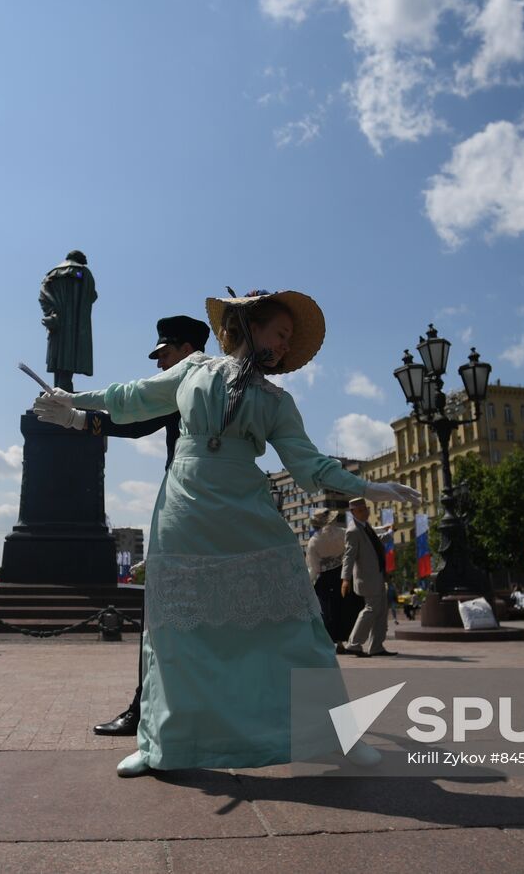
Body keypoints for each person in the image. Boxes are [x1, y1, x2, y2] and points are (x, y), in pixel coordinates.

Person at [36, 288, 420, 776]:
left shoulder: (276, 401)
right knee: (175, 634)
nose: (283, 347)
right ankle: (159, 745)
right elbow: (135, 397)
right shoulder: (194, 369)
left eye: (288, 342)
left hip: (248, 511)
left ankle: (338, 738)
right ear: (250, 324)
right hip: (186, 507)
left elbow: (309, 464)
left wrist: (367, 485)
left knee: (298, 628)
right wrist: (75, 405)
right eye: (279, 334)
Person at [36, 313, 210, 736]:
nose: (158, 365)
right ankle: (145, 708)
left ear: (188, 350)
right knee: (164, 613)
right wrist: (77, 418)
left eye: (164, 353)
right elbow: (134, 420)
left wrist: (78, 406)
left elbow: (131, 404)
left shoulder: (215, 384)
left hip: (214, 507)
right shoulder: (175, 389)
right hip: (185, 509)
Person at [341, 497, 396, 657]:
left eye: (366, 509)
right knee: (371, 609)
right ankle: (354, 644)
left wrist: (390, 533)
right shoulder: (353, 531)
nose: (365, 512)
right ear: (353, 512)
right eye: (361, 510)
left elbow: (375, 543)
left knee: (381, 612)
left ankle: (376, 646)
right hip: (367, 579)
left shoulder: (365, 526)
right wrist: (345, 579)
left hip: (378, 576)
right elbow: (349, 556)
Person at [39, 249, 97, 391]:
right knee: (68, 359)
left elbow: (43, 296)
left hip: (57, 323)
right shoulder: (82, 273)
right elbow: (92, 295)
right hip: (75, 326)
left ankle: (58, 390)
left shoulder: (52, 275)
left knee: (59, 360)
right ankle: (63, 392)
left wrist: (51, 311)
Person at [305, 509, 348, 652]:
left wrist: (308, 584)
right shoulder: (342, 532)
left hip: (325, 580)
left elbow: (314, 567)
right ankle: (341, 641)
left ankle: (331, 642)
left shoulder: (314, 541)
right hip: (342, 576)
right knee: (342, 609)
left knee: (327, 611)